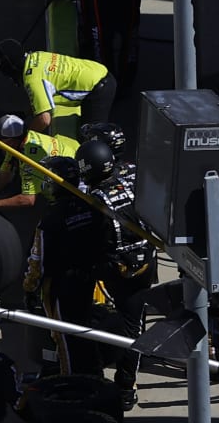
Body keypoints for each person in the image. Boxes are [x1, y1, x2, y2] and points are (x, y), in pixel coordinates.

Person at [77, 136, 158, 411]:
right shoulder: (135, 178)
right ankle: (127, 386)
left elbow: (90, 240)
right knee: (135, 325)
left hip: (114, 271)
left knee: (99, 316)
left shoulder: (92, 201)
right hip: (147, 261)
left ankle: (99, 375)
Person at [22, 155, 106, 378]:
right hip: (88, 279)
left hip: (60, 286)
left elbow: (37, 262)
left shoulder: (50, 219)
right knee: (85, 328)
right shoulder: (92, 207)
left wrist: (30, 288)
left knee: (63, 337)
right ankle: (94, 373)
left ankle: (69, 381)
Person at [0, 41, 116, 133]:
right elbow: (42, 96)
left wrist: (25, 137)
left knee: (91, 139)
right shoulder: (36, 56)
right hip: (97, 71)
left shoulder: (32, 79)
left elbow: (44, 120)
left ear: (9, 64)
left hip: (98, 89)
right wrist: (28, 113)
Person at [0, 114, 79, 209]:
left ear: (10, 141)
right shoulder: (21, 140)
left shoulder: (29, 158)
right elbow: (3, 176)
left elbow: (28, 199)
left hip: (75, 189)